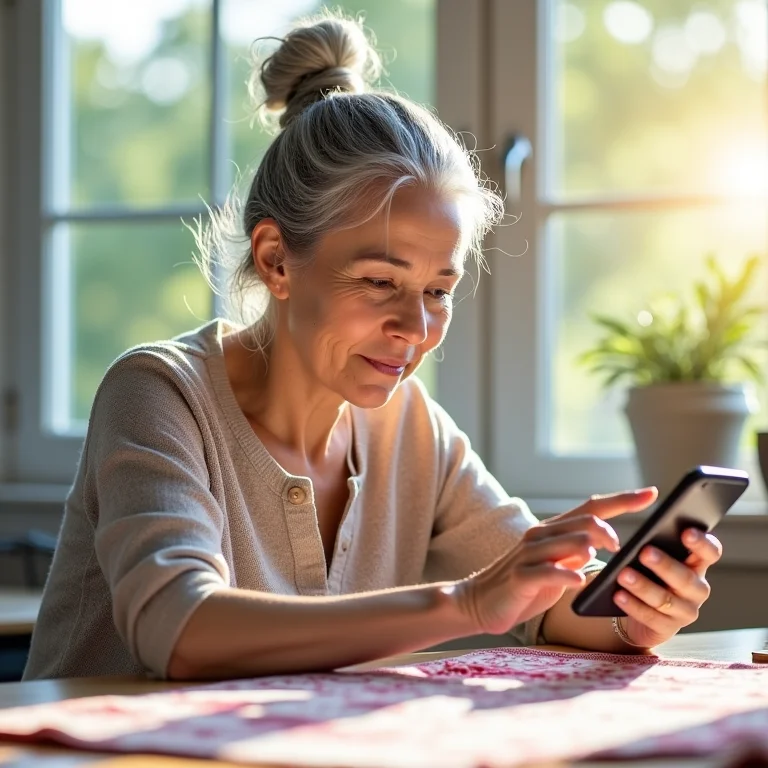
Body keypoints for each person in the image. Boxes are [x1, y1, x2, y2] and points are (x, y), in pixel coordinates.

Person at [23, 13, 721, 682]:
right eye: (380, 281)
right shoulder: (158, 393)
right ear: (275, 261)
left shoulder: (408, 426)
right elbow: (178, 629)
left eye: (438, 290)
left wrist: (631, 611)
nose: (415, 328)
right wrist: (467, 603)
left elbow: (544, 604)